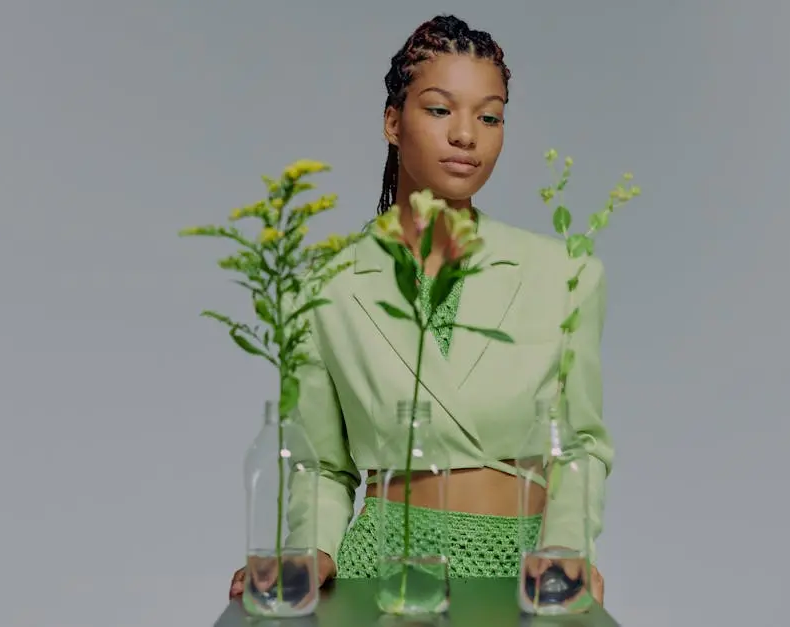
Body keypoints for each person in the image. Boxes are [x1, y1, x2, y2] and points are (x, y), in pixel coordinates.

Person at [229, 14, 611, 605]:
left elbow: (581, 446)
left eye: (490, 116)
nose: (468, 135)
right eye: (440, 110)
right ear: (392, 121)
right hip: (380, 571)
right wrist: (311, 549)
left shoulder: (564, 273)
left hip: (525, 575)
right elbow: (323, 466)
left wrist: (565, 549)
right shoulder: (322, 286)